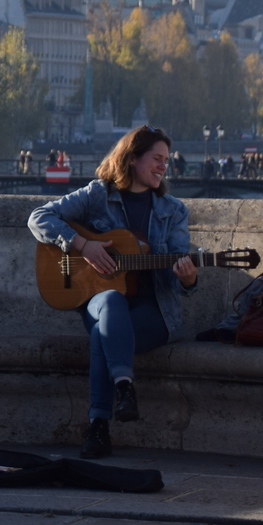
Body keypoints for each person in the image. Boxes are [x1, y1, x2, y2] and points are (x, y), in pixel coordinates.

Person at [27, 125, 198, 460]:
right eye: (157, 158)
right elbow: (39, 217)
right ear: (133, 158)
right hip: (100, 301)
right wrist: (83, 244)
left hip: (154, 311)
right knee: (110, 300)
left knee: (102, 335)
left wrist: (188, 279)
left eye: (166, 160)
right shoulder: (98, 196)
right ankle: (123, 387)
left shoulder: (173, 210)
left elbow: (176, 276)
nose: (163, 166)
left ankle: (99, 426)